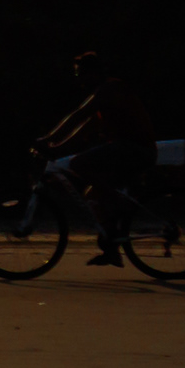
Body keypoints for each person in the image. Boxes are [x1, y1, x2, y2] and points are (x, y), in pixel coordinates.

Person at [33, 51, 155, 265]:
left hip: (136, 149)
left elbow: (79, 114)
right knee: (92, 195)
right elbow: (85, 128)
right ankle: (112, 248)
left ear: (94, 72)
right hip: (128, 151)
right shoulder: (105, 100)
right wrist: (57, 147)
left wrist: (48, 138)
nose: (79, 79)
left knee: (78, 164)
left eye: (81, 74)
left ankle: (121, 202)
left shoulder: (110, 89)